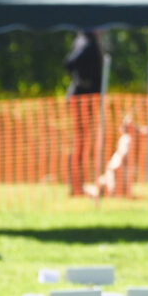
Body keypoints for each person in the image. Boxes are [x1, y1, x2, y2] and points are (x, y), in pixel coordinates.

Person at [64, 29, 103, 196]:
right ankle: (76, 186)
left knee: (82, 142)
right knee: (80, 143)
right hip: (81, 98)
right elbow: (69, 63)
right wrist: (82, 80)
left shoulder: (86, 41)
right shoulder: (87, 42)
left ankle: (78, 184)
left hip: (86, 98)